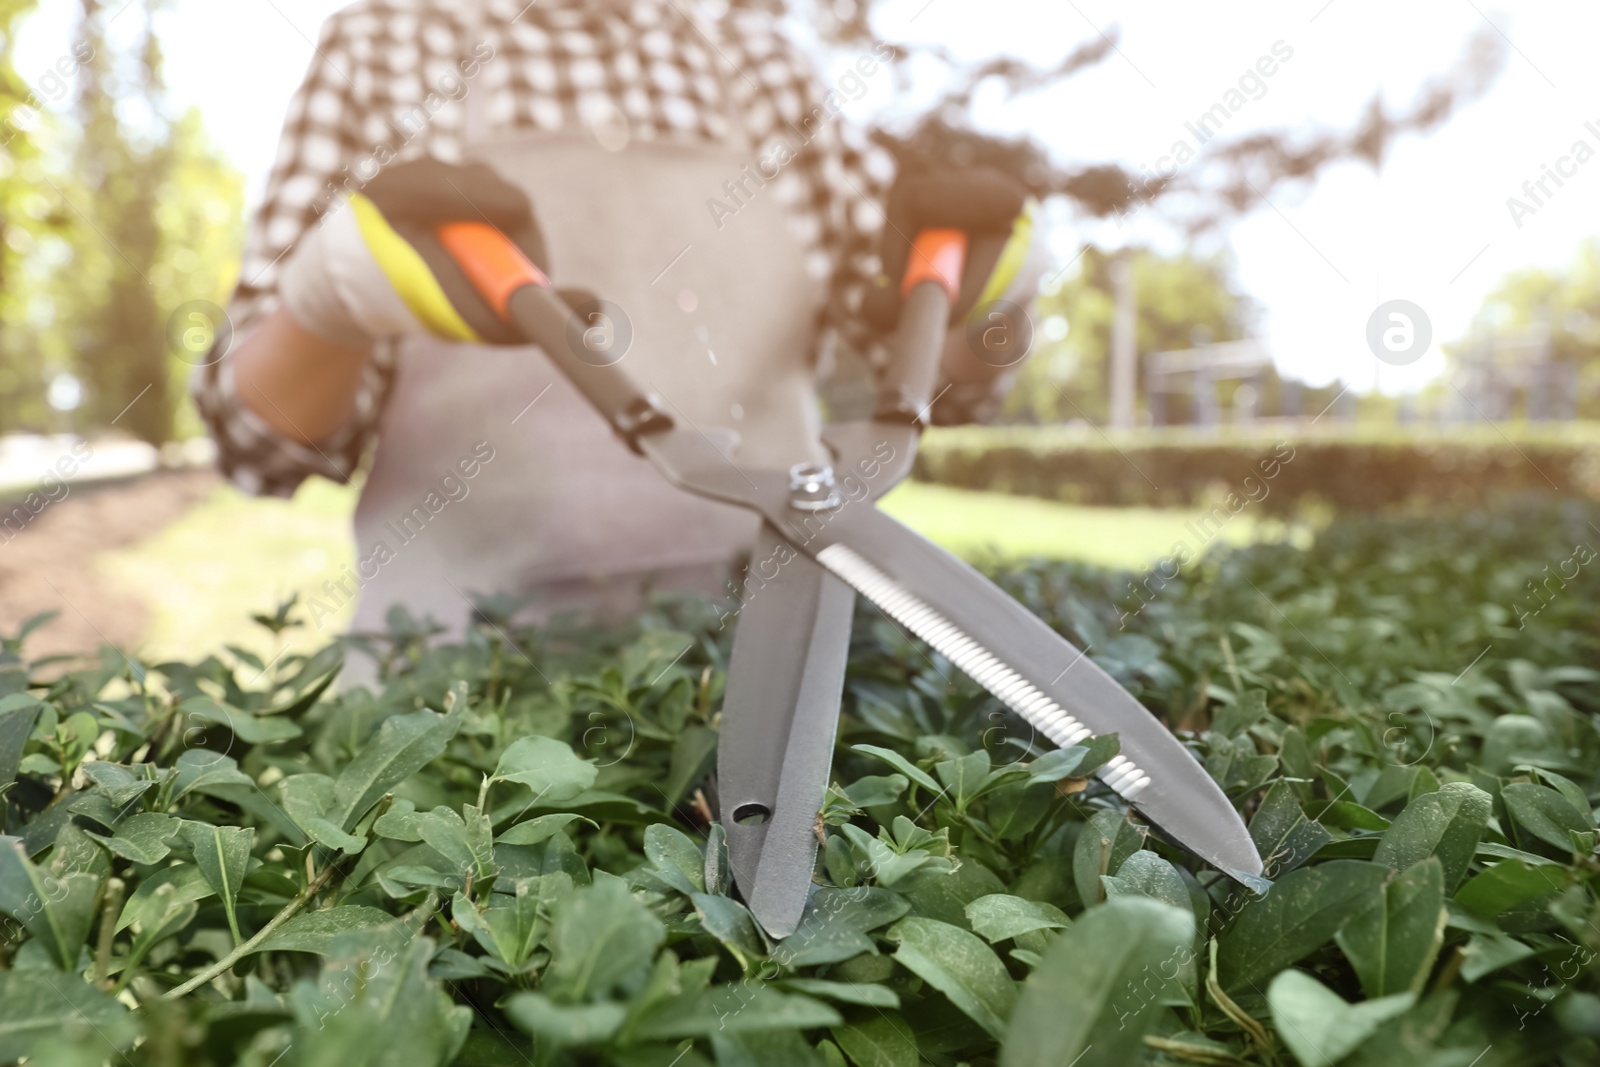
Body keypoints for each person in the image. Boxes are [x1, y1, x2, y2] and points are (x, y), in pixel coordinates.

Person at [193, 0, 1047, 644]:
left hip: (768, 663)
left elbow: (937, 378)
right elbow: (258, 444)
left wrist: (986, 304)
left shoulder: (760, 67)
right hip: (450, 676)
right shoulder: (384, 41)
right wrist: (328, 300)